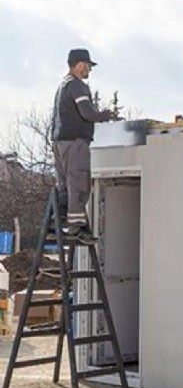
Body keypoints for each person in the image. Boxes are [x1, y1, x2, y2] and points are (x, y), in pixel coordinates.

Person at [51, 48, 112, 243]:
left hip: (60, 143)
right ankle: (76, 229)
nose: (89, 70)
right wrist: (104, 116)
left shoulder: (63, 86)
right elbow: (87, 112)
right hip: (75, 143)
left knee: (65, 187)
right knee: (79, 184)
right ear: (78, 65)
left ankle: (58, 224)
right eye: (87, 65)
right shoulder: (77, 86)